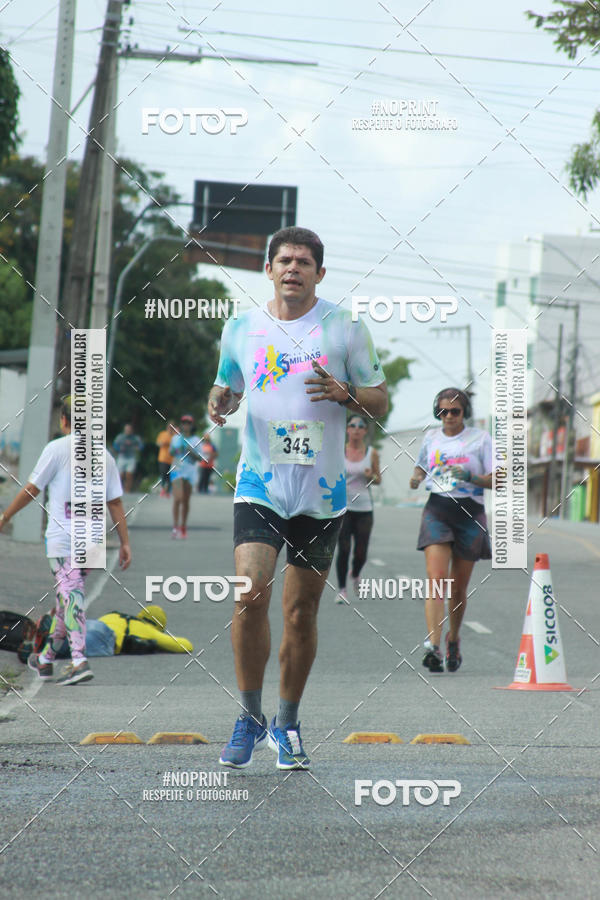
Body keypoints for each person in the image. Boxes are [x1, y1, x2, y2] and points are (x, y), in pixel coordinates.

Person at [208, 226, 387, 770]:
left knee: (301, 611)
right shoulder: (241, 328)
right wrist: (220, 400)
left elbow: (380, 400)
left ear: (319, 273)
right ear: (268, 269)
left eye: (304, 262)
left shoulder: (345, 328)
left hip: (322, 491)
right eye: (284, 260)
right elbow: (226, 386)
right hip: (260, 482)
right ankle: (249, 717)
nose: (293, 268)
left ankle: (286, 724)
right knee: (250, 594)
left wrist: (347, 392)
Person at [0, 396, 131, 685]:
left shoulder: (56, 449)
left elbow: (32, 489)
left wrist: (5, 516)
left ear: (64, 420)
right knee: (67, 599)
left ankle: (79, 661)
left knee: (71, 597)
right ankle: (45, 659)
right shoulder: (105, 456)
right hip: (93, 542)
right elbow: (115, 503)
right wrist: (124, 542)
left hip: (64, 540)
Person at [409, 388, 493, 674]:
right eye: (443, 411)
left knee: (457, 589)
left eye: (454, 411)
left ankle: (453, 639)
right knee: (436, 580)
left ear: (464, 412)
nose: (448, 416)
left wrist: (470, 476)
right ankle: (433, 646)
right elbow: (421, 467)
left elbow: (497, 479)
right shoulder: (431, 438)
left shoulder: (481, 439)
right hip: (438, 510)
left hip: (470, 513)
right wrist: (416, 477)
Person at [335, 414, 381, 604]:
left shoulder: (371, 453)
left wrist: (371, 476)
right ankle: (342, 589)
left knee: (361, 552)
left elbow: (378, 479)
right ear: (347, 429)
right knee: (344, 548)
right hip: (343, 508)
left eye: (361, 426)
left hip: (364, 508)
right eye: (353, 425)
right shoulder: (339, 451)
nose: (356, 429)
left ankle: (355, 572)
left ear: (365, 431)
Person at [48, 605, 193, 657]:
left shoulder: (118, 616)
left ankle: (50, 630)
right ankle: (48, 642)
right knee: (69, 650)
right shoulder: (148, 630)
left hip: (94, 623)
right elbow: (186, 645)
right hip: (105, 636)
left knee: (68, 637)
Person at [169, 414, 204, 539]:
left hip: (190, 471)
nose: (186, 425)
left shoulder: (196, 440)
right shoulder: (176, 438)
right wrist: (177, 449)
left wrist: (191, 451)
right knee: (177, 498)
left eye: (188, 423)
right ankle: (175, 527)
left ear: (192, 425)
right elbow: (171, 452)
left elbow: (200, 458)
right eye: (184, 423)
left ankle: (183, 526)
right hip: (177, 469)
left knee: (185, 500)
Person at [113, 423, 143, 493]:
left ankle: (127, 490)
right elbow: (115, 445)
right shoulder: (120, 437)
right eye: (127, 429)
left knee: (129, 475)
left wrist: (137, 448)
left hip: (131, 457)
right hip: (122, 457)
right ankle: (118, 489)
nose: (128, 431)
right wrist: (119, 449)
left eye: (129, 430)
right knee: (120, 475)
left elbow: (141, 446)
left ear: (132, 430)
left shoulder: (135, 438)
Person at [156, 422, 176, 497]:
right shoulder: (163, 434)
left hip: (172, 459)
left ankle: (168, 491)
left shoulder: (175, 436)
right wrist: (162, 443)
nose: (170, 429)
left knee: (170, 476)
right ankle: (163, 490)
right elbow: (158, 443)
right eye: (169, 427)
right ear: (167, 427)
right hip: (163, 458)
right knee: (163, 474)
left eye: (172, 427)